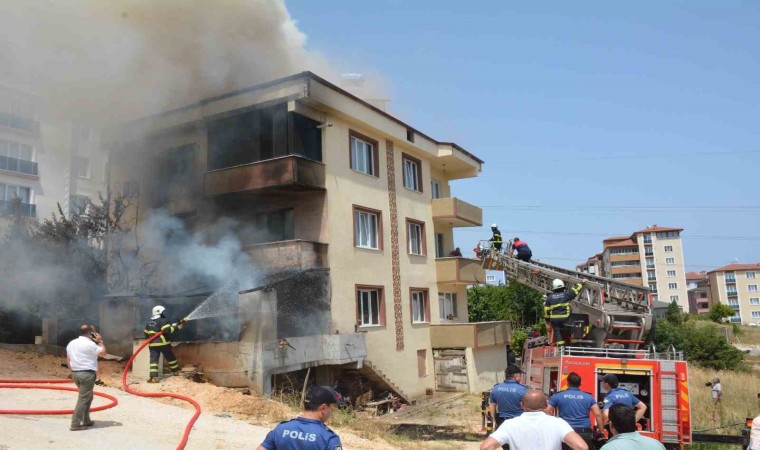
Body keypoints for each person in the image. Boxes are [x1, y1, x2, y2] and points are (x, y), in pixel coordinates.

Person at [481, 389, 589, 450]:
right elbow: (581, 447)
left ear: (521, 405)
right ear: (546, 404)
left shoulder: (510, 425)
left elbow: (486, 447)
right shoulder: (558, 423)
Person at [257, 385, 342, 450]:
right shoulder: (329, 438)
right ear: (323, 408)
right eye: (332, 408)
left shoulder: (281, 428)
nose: (332, 412)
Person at [547, 372, 604, 450]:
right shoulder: (588, 397)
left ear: (567, 383)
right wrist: (601, 431)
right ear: (580, 384)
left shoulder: (558, 396)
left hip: (566, 432)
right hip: (585, 432)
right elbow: (598, 414)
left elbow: (546, 411)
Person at [66, 324, 107, 431]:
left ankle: (86, 420)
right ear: (91, 333)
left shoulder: (72, 343)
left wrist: (73, 371)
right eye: (94, 332)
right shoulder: (90, 344)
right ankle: (75, 424)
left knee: (88, 397)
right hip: (87, 374)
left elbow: (68, 359)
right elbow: (103, 353)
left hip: (75, 373)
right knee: (83, 399)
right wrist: (100, 341)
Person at [144, 305, 184, 383]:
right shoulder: (163, 320)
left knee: (153, 361)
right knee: (170, 357)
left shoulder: (149, 322)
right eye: (163, 312)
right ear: (159, 312)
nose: (163, 313)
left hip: (152, 345)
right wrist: (177, 328)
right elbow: (167, 331)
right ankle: (175, 371)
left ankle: (153, 378)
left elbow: (145, 334)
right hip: (163, 343)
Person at [544, 279, 587, 346]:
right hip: (566, 318)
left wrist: (547, 319)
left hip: (555, 319)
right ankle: (572, 342)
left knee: (557, 333)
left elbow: (546, 310)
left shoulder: (550, 297)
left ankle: (560, 347)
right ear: (563, 287)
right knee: (569, 329)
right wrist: (582, 282)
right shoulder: (566, 294)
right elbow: (576, 289)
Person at [489, 364, 529, 429]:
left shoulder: (496, 388)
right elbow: (529, 407)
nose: (521, 377)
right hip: (519, 421)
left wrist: (494, 421)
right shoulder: (523, 389)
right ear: (516, 376)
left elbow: (492, 407)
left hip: (502, 421)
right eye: (520, 375)